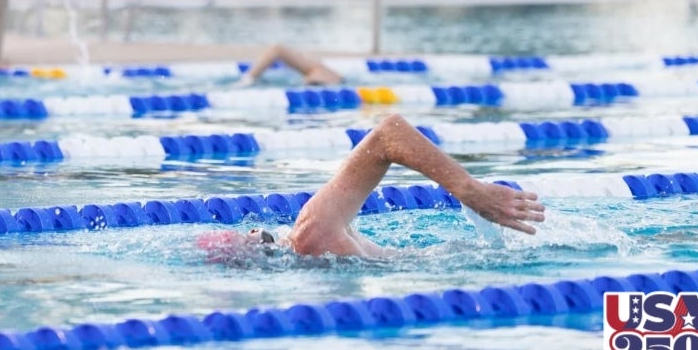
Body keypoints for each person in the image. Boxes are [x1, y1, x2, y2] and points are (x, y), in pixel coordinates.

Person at [198, 114, 546, 259]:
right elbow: (388, 134)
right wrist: (470, 190)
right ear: (256, 233)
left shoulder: (316, 250)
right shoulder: (313, 231)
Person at [235, 44, 343, 87]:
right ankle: (249, 78)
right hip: (327, 78)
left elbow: (277, 50)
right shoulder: (320, 70)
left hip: (320, 78)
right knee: (277, 50)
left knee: (277, 50)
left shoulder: (316, 71)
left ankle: (248, 78)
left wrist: (249, 78)